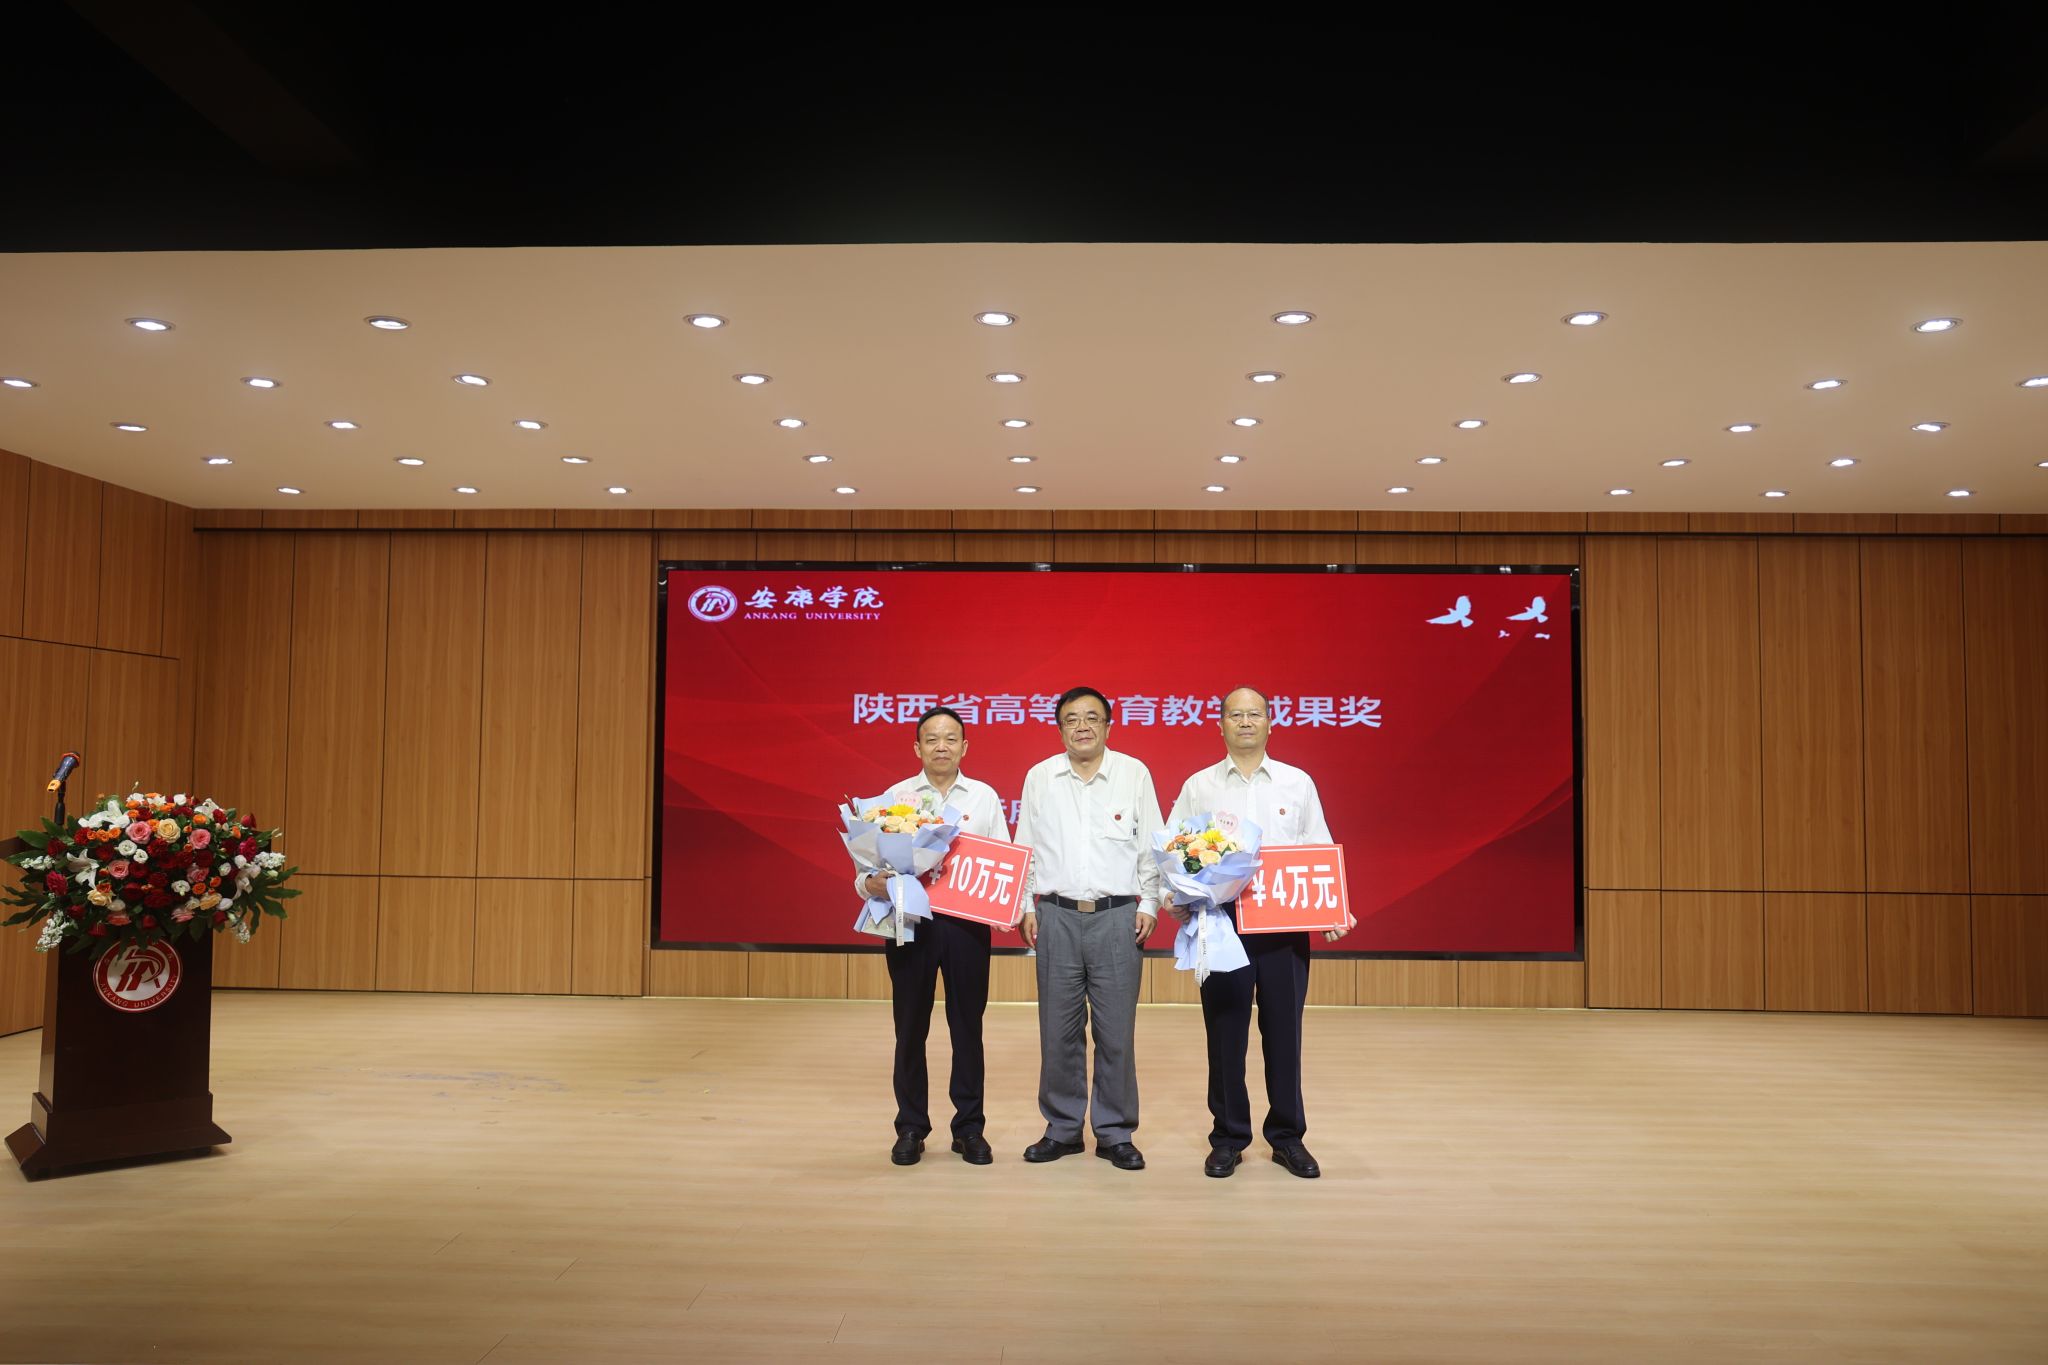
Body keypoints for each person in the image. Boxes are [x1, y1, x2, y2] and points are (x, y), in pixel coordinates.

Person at [1165, 687, 1352, 1180]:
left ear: (1271, 722)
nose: (1245, 722)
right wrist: (1174, 896)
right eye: (1235, 715)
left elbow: (1317, 848)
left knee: (1284, 1034)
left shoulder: (1296, 783)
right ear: (1220, 724)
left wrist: (1334, 909)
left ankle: (1287, 1138)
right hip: (1221, 925)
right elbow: (1173, 849)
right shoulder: (1200, 785)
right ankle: (1228, 1138)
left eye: (1254, 714)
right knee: (1225, 1034)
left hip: (1283, 926)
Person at [1013, 686, 1163, 1171]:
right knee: (1058, 1031)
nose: (1082, 727)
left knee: (1116, 1032)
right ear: (1060, 729)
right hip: (1055, 915)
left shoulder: (1134, 773)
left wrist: (1150, 902)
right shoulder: (1040, 777)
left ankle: (1115, 1132)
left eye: (1092, 718)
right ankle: (1062, 1129)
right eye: (1071, 719)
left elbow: (1152, 845)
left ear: (1108, 726)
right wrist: (1026, 905)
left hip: (1118, 917)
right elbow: (1025, 846)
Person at [857, 706, 1012, 1167]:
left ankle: (969, 1128)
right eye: (931, 739)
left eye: (950, 739)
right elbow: (866, 868)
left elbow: (1005, 858)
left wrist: (1009, 907)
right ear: (917, 747)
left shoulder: (984, 797)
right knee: (910, 1028)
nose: (941, 746)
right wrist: (869, 883)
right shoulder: (895, 797)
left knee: (968, 1028)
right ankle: (911, 1126)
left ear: (964, 746)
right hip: (910, 923)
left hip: (967, 926)